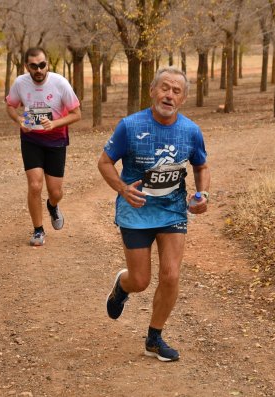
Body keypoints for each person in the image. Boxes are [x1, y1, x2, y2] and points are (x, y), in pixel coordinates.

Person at [98, 66, 211, 362]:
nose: (169, 95)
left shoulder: (190, 131)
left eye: (176, 91)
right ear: (152, 91)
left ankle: (154, 338)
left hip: (172, 210)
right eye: (164, 88)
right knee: (141, 280)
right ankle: (122, 286)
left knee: (171, 275)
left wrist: (202, 195)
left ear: (183, 98)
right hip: (135, 211)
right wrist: (123, 189)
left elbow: (201, 166)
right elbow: (105, 163)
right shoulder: (130, 126)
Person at [6, 47, 81, 246]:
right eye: (34, 66)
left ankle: (52, 205)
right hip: (31, 140)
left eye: (42, 65)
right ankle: (38, 230)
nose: (39, 69)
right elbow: (10, 106)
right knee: (35, 185)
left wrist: (54, 124)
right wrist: (19, 120)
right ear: (26, 66)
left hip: (56, 140)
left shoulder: (60, 83)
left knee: (56, 192)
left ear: (47, 63)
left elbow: (77, 113)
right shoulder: (20, 83)